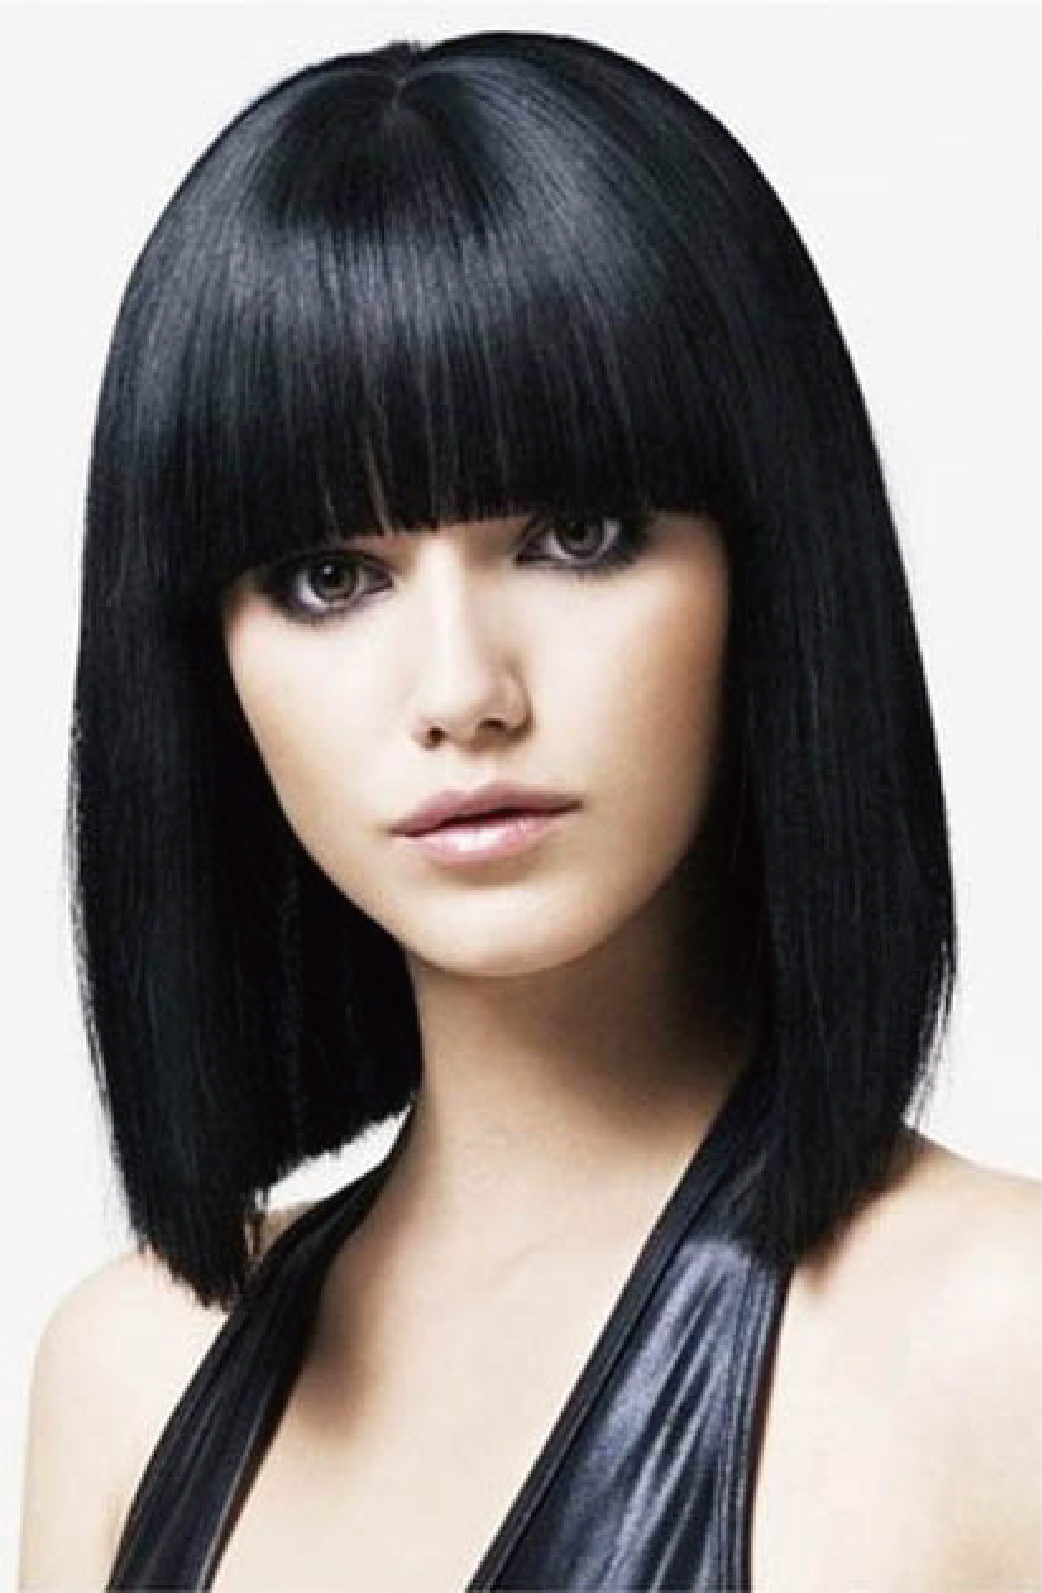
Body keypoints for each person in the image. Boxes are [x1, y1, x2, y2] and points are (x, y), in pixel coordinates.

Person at [17, 27, 1039, 1592]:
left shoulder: (994, 1347)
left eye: (576, 534)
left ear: (768, 565)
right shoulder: (131, 1371)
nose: (460, 689)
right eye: (328, 576)